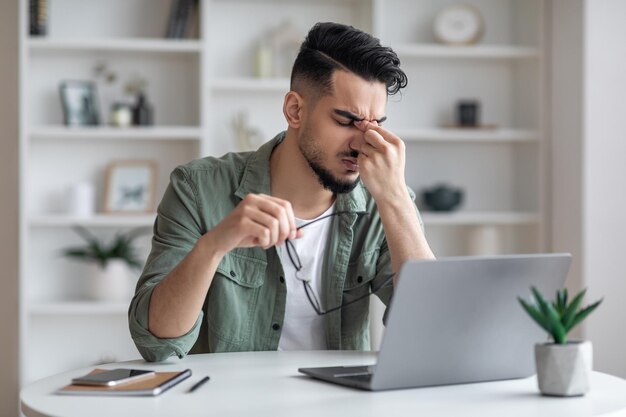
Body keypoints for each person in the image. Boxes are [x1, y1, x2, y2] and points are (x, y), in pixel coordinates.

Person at [129, 22, 435, 362]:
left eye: (376, 125)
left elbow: (436, 331)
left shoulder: (386, 201)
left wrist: (395, 200)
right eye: (347, 121)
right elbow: (156, 342)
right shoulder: (197, 188)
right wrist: (214, 245)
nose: (362, 143)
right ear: (295, 110)